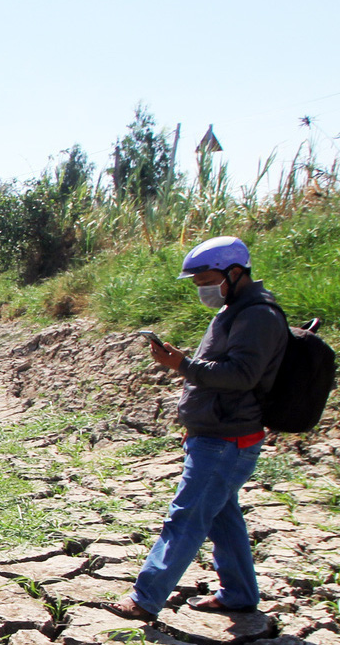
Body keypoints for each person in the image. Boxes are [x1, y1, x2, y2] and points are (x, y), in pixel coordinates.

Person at [109, 236, 288, 622]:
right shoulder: (234, 310)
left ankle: (145, 598)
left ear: (235, 273)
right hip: (216, 435)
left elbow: (240, 375)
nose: (201, 289)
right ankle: (239, 594)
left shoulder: (257, 316)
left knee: (186, 518)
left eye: (206, 279)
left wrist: (183, 365)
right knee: (223, 518)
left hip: (228, 440)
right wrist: (196, 423)